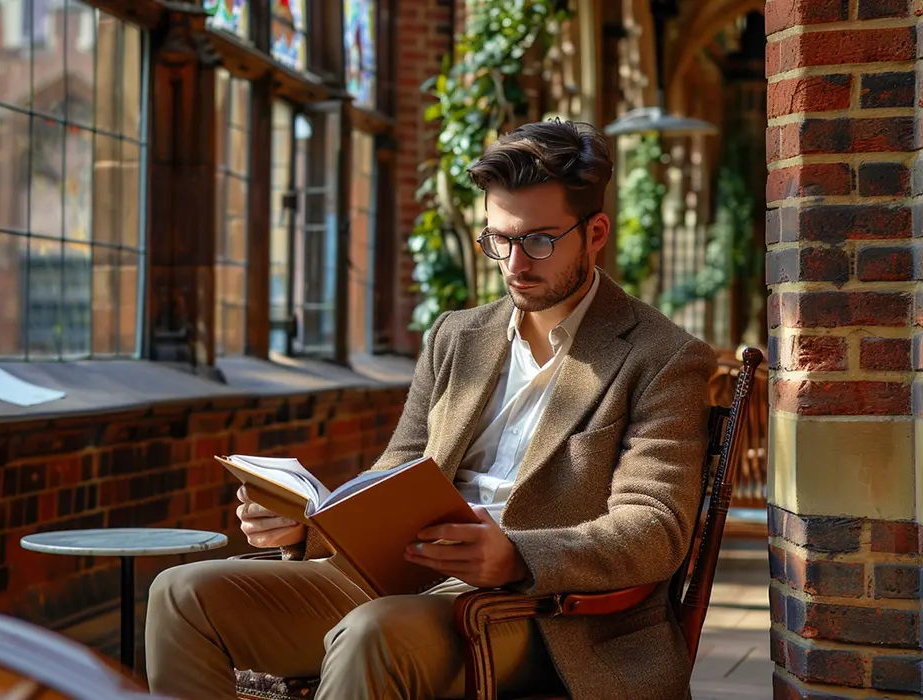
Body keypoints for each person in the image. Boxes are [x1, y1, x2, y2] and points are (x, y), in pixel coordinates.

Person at [145, 119, 717, 700]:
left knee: (372, 634)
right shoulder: (456, 336)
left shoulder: (661, 356)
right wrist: (311, 523)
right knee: (180, 593)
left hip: (543, 614)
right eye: (499, 239)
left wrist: (515, 555)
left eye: (539, 240)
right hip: (405, 578)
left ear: (595, 233)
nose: (515, 263)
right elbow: (400, 468)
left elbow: (654, 529)